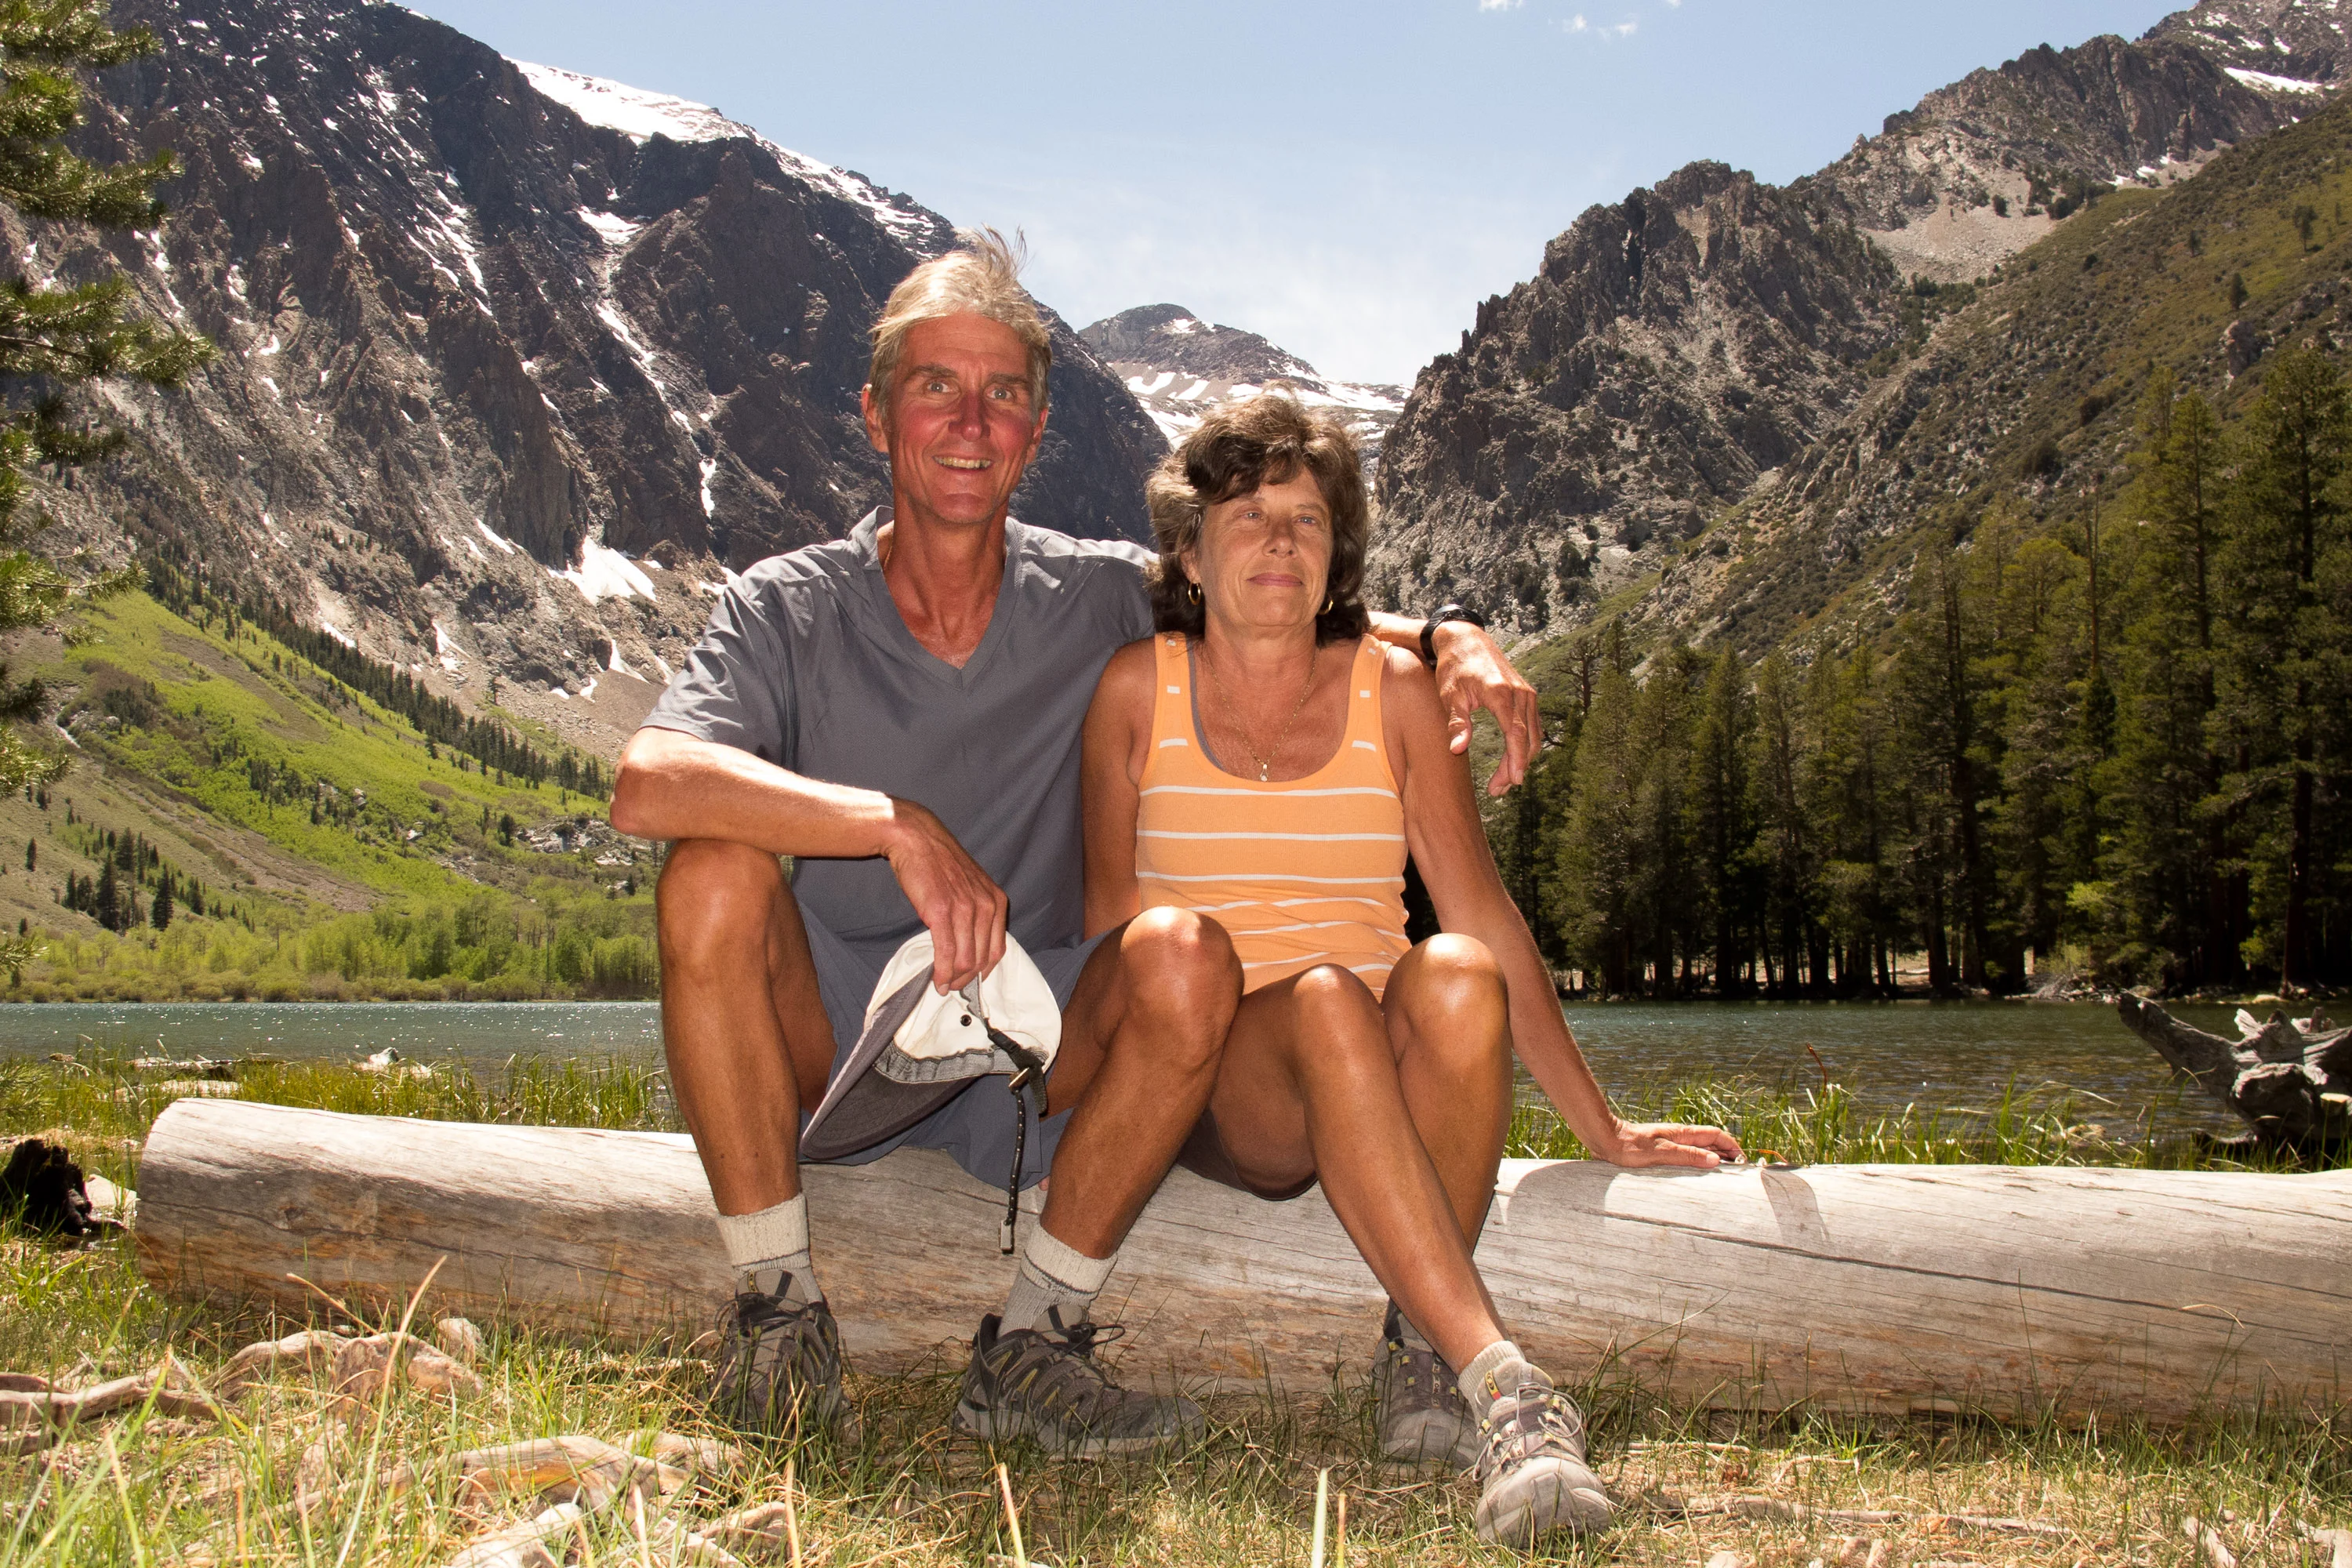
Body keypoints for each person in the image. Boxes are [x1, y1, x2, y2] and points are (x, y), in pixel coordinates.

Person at [606, 231, 1547, 1458]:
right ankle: (781, 1317)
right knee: (713, 874)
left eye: (1003, 394)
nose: (969, 419)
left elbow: (1280, 600)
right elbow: (646, 780)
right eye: (936, 384)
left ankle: (1034, 1347)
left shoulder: (1096, 593)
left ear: (1037, 432)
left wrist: (1455, 633)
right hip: (829, 1039)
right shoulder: (786, 603)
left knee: (1182, 954)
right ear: (876, 409)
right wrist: (894, 825)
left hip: (1041, 1057)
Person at [1078, 392, 1742, 1544]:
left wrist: (1602, 1127)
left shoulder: (1390, 694)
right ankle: (1505, 1388)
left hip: (1381, 1062)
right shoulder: (1136, 694)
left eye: (1308, 518)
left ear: (1339, 557)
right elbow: (1110, 948)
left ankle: (1414, 1354)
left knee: (1456, 973)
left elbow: (1483, 911)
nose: (1280, 540)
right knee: (1331, 1000)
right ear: (1189, 553)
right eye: (1246, 515)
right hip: (1226, 1082)